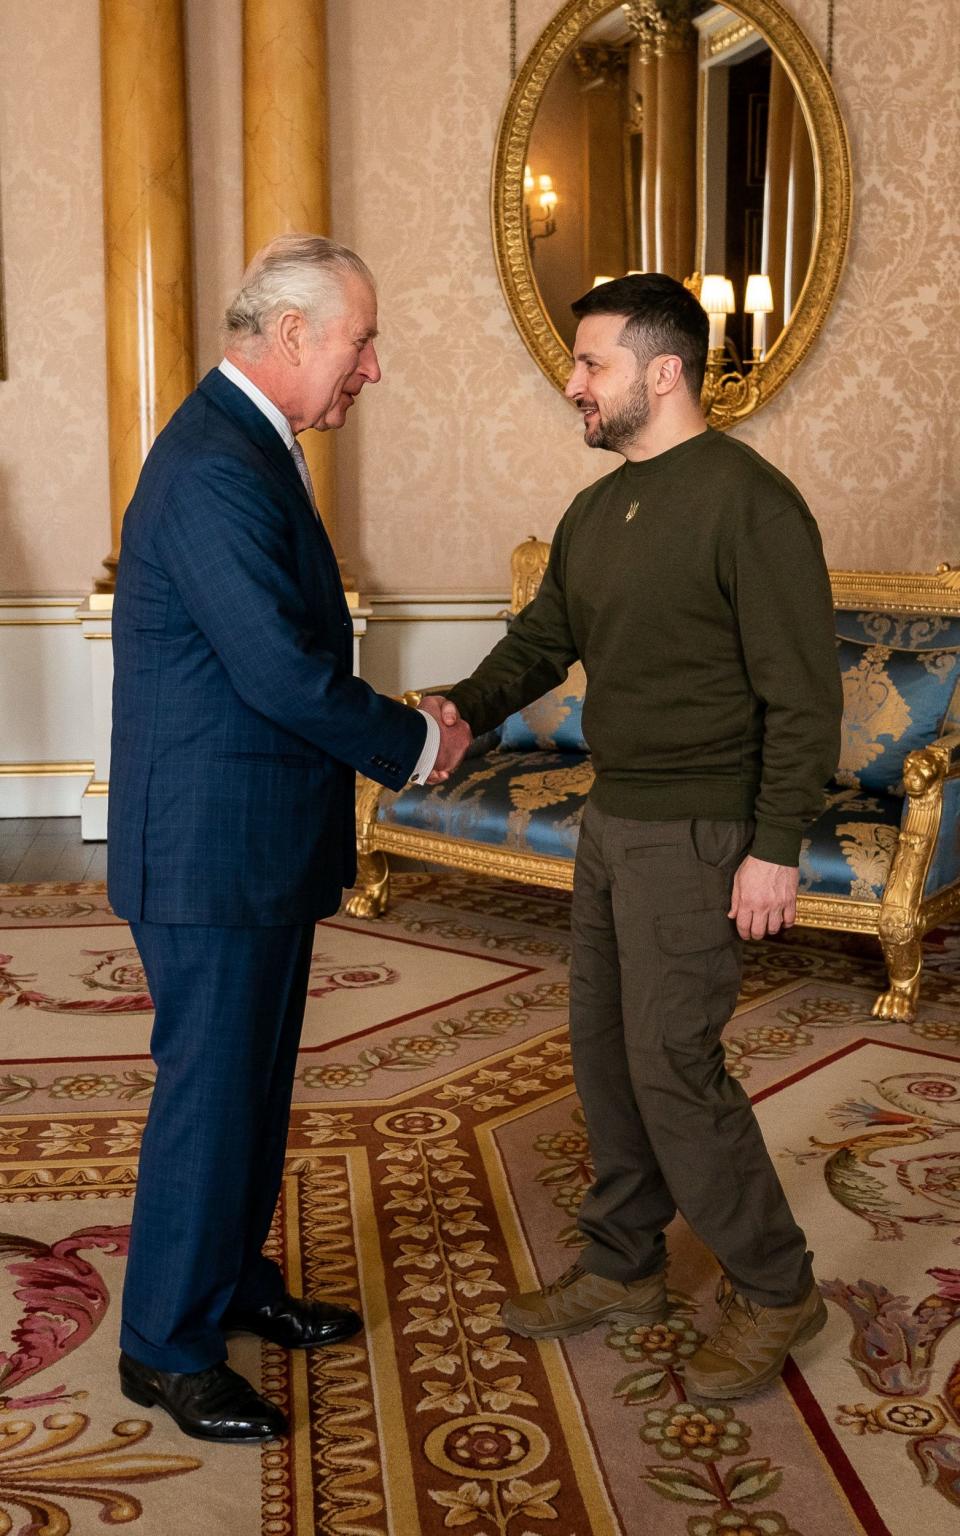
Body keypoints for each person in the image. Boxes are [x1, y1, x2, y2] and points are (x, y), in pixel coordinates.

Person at [424, 272, 842, 1401]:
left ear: (663, 373)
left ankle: (775, 1286)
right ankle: (624, 1262)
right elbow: (540, 640)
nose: (573, 384)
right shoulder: (599, 509)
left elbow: (804, 697)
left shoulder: (750, 504)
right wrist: (459, 707)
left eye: (591, 363)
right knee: (606, 1053)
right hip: (614, 821)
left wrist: (774, 846)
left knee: (671, 1064)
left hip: (704, 831)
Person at [108, 234, 468, 1443]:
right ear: (296, 334)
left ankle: (228, 1280)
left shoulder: (250, 445)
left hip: (249, 839)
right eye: (362, 341)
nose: (373, 367)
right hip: (210, 852)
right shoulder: (216, 461)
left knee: (254, 1091)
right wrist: (411, 743)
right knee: (211, 1097)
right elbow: (277, 668)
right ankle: (165, 1347)